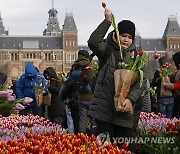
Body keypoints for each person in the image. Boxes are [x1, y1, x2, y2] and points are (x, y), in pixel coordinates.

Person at [87, 8, 145, 152]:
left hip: (123, 113)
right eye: (123, 35)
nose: (126, 39)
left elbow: (140, 83)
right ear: (116, 35)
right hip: (104, 111)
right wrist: (107, 21)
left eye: (130, 37)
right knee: (103, 148)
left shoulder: (135, 57)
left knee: (124, 149)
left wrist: (130, 100)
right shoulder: (107, 49)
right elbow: (93, 42)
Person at [163, 51, 180, 118]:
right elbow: (174, 75)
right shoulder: (178, 71)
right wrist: (166, 74)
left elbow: (178, 85)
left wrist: (167, 85)